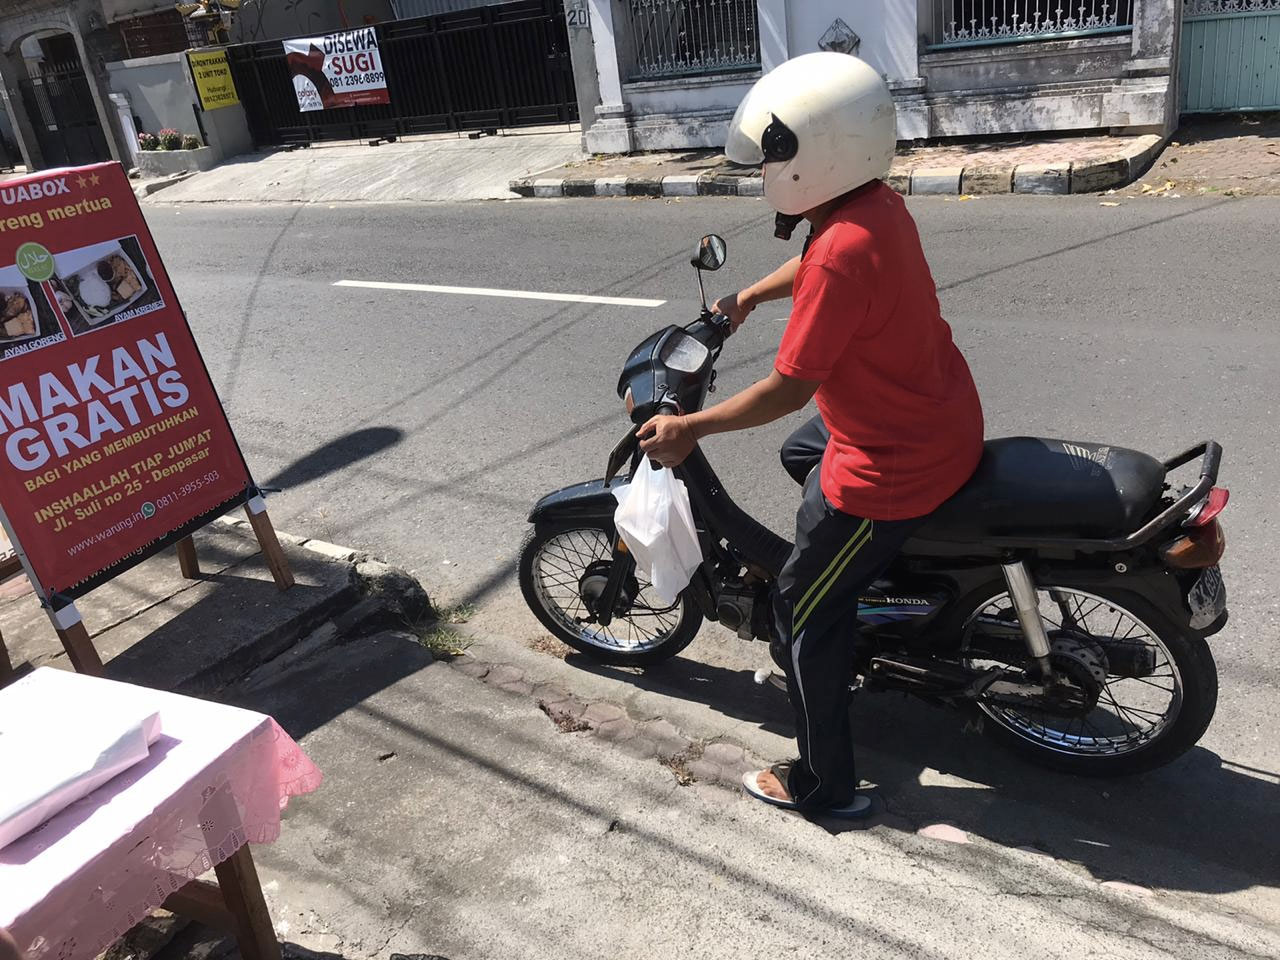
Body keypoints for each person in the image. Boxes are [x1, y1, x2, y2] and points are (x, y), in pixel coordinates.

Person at [638, 52, 985, 818]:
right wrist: (747, 296)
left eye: (772, 158)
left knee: (799, 605)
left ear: (813, 158)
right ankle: (871, 589)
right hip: (937, 414)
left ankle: (825, 785)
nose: (766, 172)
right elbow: (816, 266)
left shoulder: (837, 255)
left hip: (891, 464)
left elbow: (787, 388)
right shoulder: (873, 208)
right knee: (801, 449)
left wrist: (689, 427)